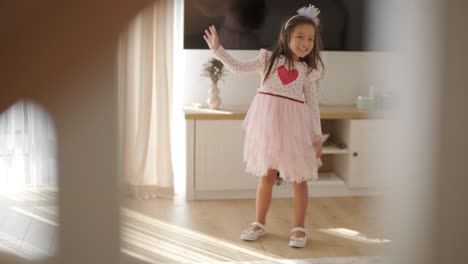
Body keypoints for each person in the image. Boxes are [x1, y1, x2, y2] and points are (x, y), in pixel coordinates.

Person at [203, 4, 324, 248]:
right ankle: (259, 222)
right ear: (286, 36)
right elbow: (238, 68)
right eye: (300, 36)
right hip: (268, 127)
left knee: (298, 179)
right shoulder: (267, 59)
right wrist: (218, 50)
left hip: (296, 129)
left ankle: (299, 228)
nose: (305, 42)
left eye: (310, 39)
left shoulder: (307, 71)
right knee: (267, 175)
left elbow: (312, 106)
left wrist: (316, 136)